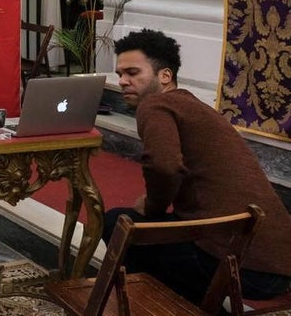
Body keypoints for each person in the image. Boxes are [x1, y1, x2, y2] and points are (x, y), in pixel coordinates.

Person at [105, 28, 291, 305]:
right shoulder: (192, 105)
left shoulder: (155, 105)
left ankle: (153, 306)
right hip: (276, 264)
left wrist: (153, 207)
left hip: (242, 269)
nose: (122, 81)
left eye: (132, 73)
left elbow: (164, 166)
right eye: (120, 74)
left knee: (118, 222)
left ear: (165, 76)